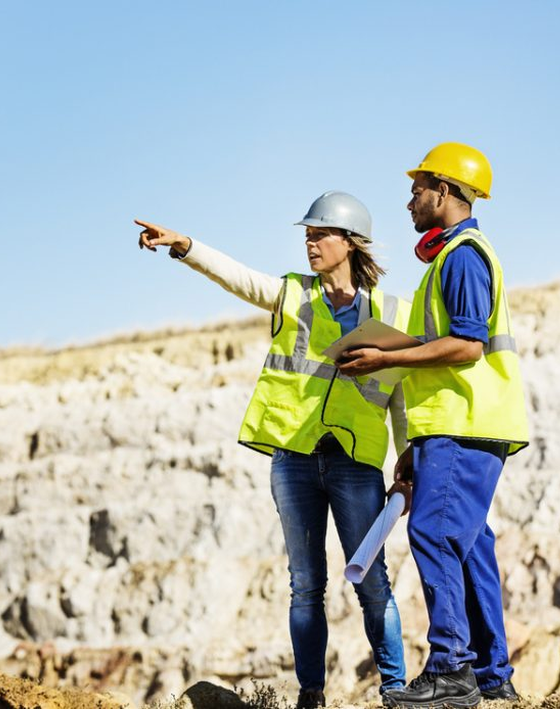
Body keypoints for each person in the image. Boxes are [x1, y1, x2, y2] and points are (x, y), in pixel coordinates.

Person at [136, 191, 410, 708]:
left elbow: (401, 391)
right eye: (306, 235)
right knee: (306, 586)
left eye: (319, 235)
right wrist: (185, 246)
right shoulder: (293, 295)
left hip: (356, 463)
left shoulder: (395, 310)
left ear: (349, 243)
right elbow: (236, 277)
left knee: (372, 582)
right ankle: (312, 695)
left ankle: (395, 690)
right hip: (294, 457)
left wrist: (409, 452)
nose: (309, 243)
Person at [337, 143, 530, 707]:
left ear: (444, 191)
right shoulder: (453, 258)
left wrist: (386, 358)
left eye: (418, 189)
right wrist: (415, 444)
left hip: (463, 424)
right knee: (469, 548)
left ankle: (450, 669)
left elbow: (468, 345)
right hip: (454, 426)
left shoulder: (464, 256)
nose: (410, 200)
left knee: (434, 535)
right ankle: (492, 677)